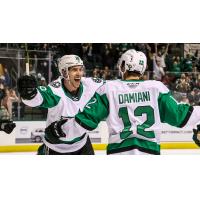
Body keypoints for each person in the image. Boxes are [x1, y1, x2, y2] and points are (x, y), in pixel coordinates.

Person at [46, 49, 200, 155]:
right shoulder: (156, 88)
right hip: (150, 153)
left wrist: (61, 129)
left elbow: (85, 120)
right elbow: (182, 117)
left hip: (118, 153)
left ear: (124, 66)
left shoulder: (109, 89)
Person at [17, 55, 104, 155]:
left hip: (82, 145)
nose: (79, 73)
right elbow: (39, 97)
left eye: (80, 69)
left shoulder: (88, 84)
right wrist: (29, 94)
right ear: (64, 72)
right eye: (74, 70)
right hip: (56, 149)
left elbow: (111, 88)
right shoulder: (55, 90)